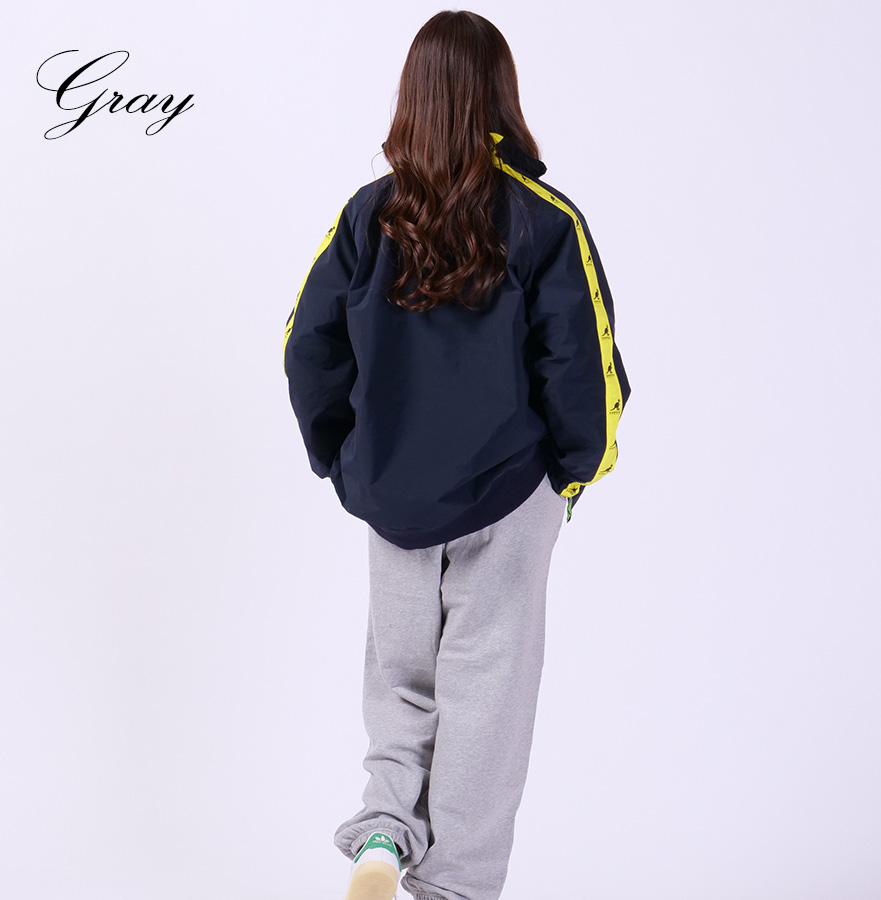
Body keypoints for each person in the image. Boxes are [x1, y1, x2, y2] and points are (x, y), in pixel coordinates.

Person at [282, 10, 632, 900]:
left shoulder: (367, 216)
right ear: (500, 95)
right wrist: (572, 476)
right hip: (510, 495)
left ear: (414, 97)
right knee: (486, 700)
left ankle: (382, 835)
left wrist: (349, 462)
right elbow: (584, 365)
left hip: (392, 494)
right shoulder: (545, 221)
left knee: (400, 679)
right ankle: (456, 889)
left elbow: (306, 348)